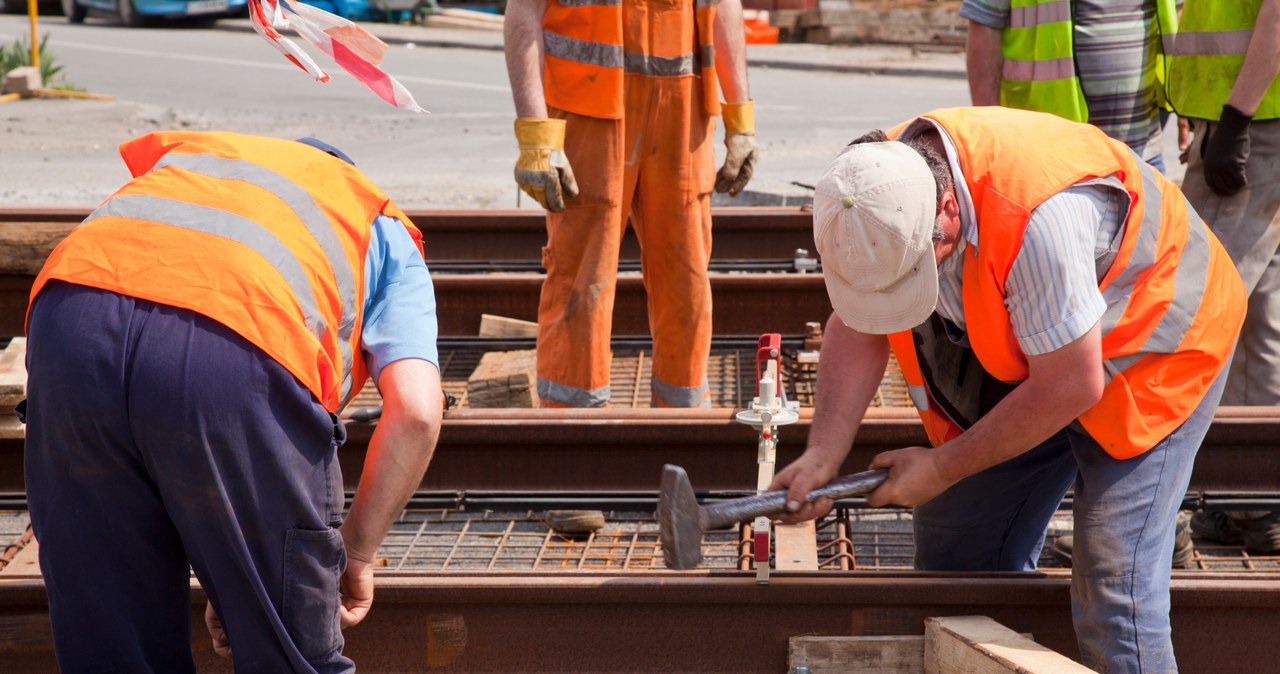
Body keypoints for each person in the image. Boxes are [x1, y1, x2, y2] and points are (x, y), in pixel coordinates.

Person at [772, 106, 1244, 671]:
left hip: (1157, 342)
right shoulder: (872, 188)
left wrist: (944, 467)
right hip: (1040, 349)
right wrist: (824, 453)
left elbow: (1071, 383)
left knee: (1114, 586)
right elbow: (855, 323)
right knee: (958, 556)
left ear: (947, 210)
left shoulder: (1038, 220)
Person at [22, 131, 444, 673]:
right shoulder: (373, 221)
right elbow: (416, 411)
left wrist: (228, 566)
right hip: (237, 345)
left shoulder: (195, 169)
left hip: (70, 327)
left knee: (115, 650)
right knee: (290, 658)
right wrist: (355, 554)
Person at [503, 0, 756, 407]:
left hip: (683, 109)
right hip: (588, 106)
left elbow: (722, 6)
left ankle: (681, 418)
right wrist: (535, 132)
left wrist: (740, 118)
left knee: (686, 276)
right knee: (581, 278)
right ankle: (571, 423)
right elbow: (524, 11)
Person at [1169, 0, 1280, 552]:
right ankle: (1252, 505)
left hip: (1254, 121)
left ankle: (1161, 522)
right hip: (1248, 117)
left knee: (1192, 312)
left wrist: (1235, 117)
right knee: (1258, 313)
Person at [962, 0, 1177, 173]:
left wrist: (1179, 102)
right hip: (1048, 159)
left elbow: (1172, 13)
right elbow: (984, 21)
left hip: (1141, 153)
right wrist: (989, 129)